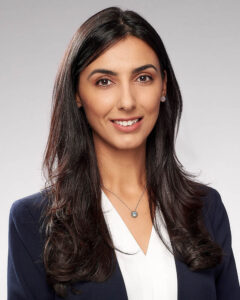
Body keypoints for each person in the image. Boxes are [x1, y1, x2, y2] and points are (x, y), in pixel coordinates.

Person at [7, 6, 240, 300]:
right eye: (104, 82)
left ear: (163, 85)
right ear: (77, 93)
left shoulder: (206, 208)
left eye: (143, 78)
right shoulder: (32, 221)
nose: (127, 101)